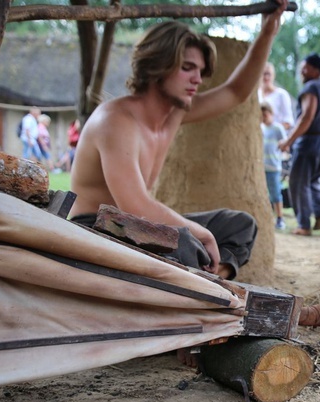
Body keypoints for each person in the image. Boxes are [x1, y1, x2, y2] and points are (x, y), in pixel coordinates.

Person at [69, 0, 288, 281]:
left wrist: (267, 33)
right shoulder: (115, 120)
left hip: (136, 225)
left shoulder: (173, 115)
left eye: (199, 70)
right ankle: (197, 277)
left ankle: (206, 276)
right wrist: (199, 233)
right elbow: (133, 205)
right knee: (186, 243)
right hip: (97, 230)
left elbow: (236, 92)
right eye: (187, 68)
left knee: (239, 225)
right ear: (159, 65)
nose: (198, 79)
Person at [278, 53, 320, 235]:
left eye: (305, 68)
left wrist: (288, 140)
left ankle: (303, 225)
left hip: (309, 143)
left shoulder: (311, 87)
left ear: (315, 69)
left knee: (298, 182)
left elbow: (306, 117)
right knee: (313, 181)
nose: (302, 72)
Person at [260, 102, 288, 230]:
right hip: (262, 168)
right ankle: (268, 218)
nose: (263, 118)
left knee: (276, 194)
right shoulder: (261, 128)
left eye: (265, 115)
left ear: (271, 114)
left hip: (273, 167)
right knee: (264, 194)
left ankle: (280, 218)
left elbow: (285, 144)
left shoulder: (277, 128)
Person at [258, 62, 294, 130]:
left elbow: (288, 122)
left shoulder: (281, 95)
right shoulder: (257, 95)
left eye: (268, 74)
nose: (266, 77)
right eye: (263, 74)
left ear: (273, 76)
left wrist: (272, 129)